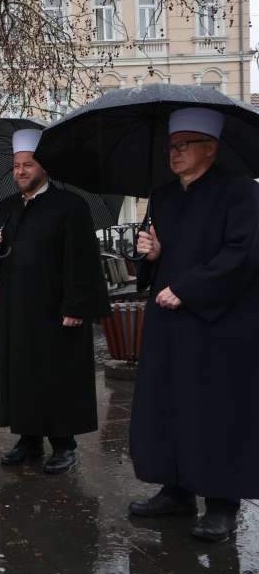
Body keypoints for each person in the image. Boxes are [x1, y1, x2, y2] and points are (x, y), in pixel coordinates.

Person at [128, 108, 259, 542]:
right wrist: (150, 255)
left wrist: (187, 289)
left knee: (217, 410)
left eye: (184, 145)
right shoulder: (163, 196)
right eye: (171, 146)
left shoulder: (240, 193)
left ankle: (222, 503)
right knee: (170, 404)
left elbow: (242, 255)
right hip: (170, 322)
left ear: (211, 148)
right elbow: (160, 258)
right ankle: (176, 490)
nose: (175, 153)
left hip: (219, 324)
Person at [0, 128, 110, 474]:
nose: (21, 171)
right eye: (16, 166)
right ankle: (29, 439)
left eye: (28, 164)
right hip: (18, 310)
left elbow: (82, 260)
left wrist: (76, 306)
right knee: (22, 375)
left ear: (43, 167)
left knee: (58, 376)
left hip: (56, 310)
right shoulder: (6, 208)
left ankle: (64, 444)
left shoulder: (69, 206)